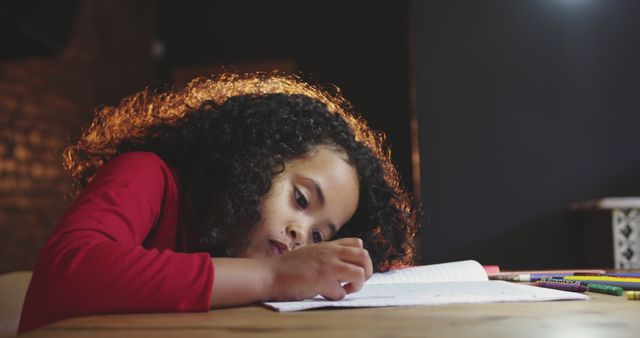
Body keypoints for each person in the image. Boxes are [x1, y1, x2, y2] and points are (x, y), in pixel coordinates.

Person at [18, 72, 421, 333]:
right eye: (300, 199)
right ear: (256, 158)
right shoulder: (145, 174)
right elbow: (69, 272)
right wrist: (273, 277)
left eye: (319, 233)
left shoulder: (228, 252)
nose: (302, 233)